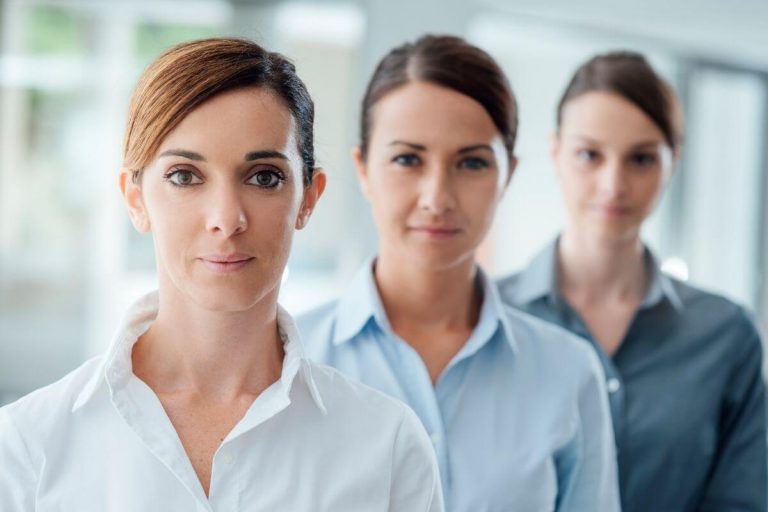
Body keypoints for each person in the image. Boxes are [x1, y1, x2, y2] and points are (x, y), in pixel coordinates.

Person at [0, 37, 443, 512]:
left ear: (309, 198)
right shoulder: (27, 447)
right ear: (135, 198)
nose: (226, 218)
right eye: (185, 176)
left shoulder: (386, 446)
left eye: (264, 177)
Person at [298, 35, 620, 511]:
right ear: (363, 168)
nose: (437, 197)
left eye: (471, 163)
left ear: (507, 174)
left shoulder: (568, 372)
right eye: (408, 159)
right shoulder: (287, 360)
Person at [497, 51, 767, 512]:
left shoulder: (725, 334)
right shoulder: (489, 318)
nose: (613, 184)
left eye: (641, 158)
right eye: (589, 155)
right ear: (556, 153)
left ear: (672, 162)